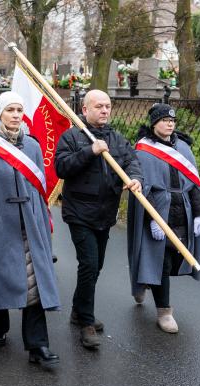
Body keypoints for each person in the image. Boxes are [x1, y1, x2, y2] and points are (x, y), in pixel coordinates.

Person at [0, 92, 60, 369]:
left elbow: (39, 189)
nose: (16, 115)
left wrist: (42, 221)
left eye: (19, 109)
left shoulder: (32, 146)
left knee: (35, 284)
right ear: (0, 114)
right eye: (10, 110)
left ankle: (38, 345)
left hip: (28, 224)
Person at [54, 89, 142, 349]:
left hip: (105, 214)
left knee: (96, 265)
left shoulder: (117, 139)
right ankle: (87, 324)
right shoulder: (71, 137)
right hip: (79, 213)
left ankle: (78, 311)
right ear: (85, 110)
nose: (105, 110)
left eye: (108, 106)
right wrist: (89, 151)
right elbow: (61, 167)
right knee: (89, 264)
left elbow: (132, 162)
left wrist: (137, 178)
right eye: (99, 106)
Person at [127, 103, 200, 333]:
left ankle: (146, 281)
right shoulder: (142, 150)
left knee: (172, 257)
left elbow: (195, 184)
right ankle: (164, 311)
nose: (170, 124)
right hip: (155, 212)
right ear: (154, 123)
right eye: (164, 120)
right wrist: (152, 218)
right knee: (158, 260)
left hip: (183, 211)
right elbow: (143, 188)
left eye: (172, 120)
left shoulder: (183, 147)